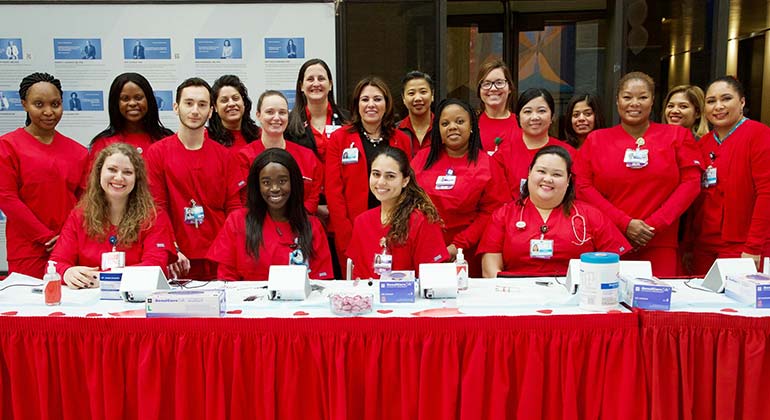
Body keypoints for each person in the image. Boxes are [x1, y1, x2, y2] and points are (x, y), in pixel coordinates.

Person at [574, 71, 702, 277]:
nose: (635, 103)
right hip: (611, 242)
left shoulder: (677, 136)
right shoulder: (596, 140)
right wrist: (624, 223)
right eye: (627, 97)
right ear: (617, 102)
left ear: (652, 101)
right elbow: (582, 187)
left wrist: (654, 225)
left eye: (642, 97)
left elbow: (691, 184)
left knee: (659, 305)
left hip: (661, 243)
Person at [480, 146, 629, 277]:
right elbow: (490, 269)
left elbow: (615, 266)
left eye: (557, 174)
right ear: (529, 173)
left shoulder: (591, 216)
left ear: (568, 180)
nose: (548, 179)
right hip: (517, 299)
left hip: (576, 300)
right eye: (541, 171)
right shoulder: (503, 215)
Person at [144, 78, 240, 280]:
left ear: (212, 111)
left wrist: (227, 252)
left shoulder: (225, 157)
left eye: (202, 104)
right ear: (176, 107)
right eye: (189, 103)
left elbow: (234, 210)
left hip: (218, 259)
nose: (195, 110)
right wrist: (172, 249)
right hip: (176, 260)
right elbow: (156, 208)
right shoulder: (156, 153)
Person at [51, 143, 177, 288]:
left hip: (136, 302)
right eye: (112, 170)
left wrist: (105, 278)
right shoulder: (80, 215)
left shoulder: (154, 217)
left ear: (137, 179)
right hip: (88, 302)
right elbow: (55, 263)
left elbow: (155, 267)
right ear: (99, 173)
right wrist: (67, 272)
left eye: (127, 172)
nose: (119, 177)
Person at [0, 72, 88, 277]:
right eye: (39, 104)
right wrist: (46, 237)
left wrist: (67, 237)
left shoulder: (79, 152)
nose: (49, 112)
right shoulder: (7, 146)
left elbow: (86, 201)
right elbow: (7, 199)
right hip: (28, 250)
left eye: (55, 104)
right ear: (24, 104)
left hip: (70, 248)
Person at [412, 98, 509, 276]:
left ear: (472, 126)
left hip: (467, 253)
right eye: (445, 123)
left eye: (460, 121)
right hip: (423, 249)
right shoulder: (421, 160)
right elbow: (406, 201)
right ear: (438, 130)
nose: (452, 127)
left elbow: (493, 212)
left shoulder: (487, 164)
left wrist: (457, 246)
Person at [686, 76, 770, 274]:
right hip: (704, 245)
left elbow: (766, 194)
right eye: (711, 101)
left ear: (742, 102)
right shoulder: (702, 144)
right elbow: (694, 199)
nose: (718, 107)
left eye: (726, 99)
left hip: (744, 245)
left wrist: (753, 247)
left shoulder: (759, 135)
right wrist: (688, 245)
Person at [208, 148, 333, 280]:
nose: (274, 188)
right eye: (266, 182)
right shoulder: (237, 221)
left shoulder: (312, 226)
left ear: (293, 183)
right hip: (248, 299)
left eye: (282, 181)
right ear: (257, 185)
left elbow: (321, 285)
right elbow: (227, 280)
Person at [325, 76, 412, 262]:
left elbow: (407, 185)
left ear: (387, 104)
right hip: (352, 228)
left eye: (377, 99)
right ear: (357, 104)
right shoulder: (339, 139)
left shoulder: (401, 140)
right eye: (365, 99)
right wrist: (347, 234)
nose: (371, 104)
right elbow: (333, 192)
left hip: (394, 227)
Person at [347, 147, 448, 279]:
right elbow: (358, 275)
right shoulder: (362, 221)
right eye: (376, 174)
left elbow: (434, 278)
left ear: (405, 180)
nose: (381, 182)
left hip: (411, 298)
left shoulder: (422, 221)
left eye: (390, 176)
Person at [228, 90, 323, 214]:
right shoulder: (243, 157)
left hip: (299, 225)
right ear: (258, 115)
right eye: (270, 112)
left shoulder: (307, 156)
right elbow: (244, 200)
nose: (277, 118)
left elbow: (313, 198)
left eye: (282, 112)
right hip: (258, 227)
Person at [493, 88, 575, 200]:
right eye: (527, 111)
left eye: (541, 111)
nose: (535, 117)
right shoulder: (503, 154)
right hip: (514, 216)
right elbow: (497, 198)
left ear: (552, 116)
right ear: (518, 118)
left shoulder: (568, 153)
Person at [89, 72, 173, 168]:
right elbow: (93, 181)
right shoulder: (103, 143)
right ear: (116, 103)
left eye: (138, 98)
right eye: (125, 99)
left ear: (149, 100)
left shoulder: (166, 139)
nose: (132, 103)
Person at [286, 58, 349, 163]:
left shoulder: (347, 119)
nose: (316, 84)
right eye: (310, 79)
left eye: (321, 79)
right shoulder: (289, 123)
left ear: (330, 85)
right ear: (301, 86)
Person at [475, 59, 520, 154]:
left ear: (510, 88)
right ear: (479, 90)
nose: (493, 88)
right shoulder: (471, 123)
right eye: (486, 84)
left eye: (499, 83)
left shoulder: (521, 124)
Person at [208, 74, 259, 150]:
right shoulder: (207, 138)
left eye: (235, 98)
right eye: (224, 100)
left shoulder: (259, 135)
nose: (231, 104)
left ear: (244, 102)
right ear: (215, 107)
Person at [397, 71, 435, 156]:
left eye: (423, 92)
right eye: (411, 93)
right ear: (403, 98)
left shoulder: (443, 128)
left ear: (432, 95)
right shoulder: (394, 131)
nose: (417, 98)